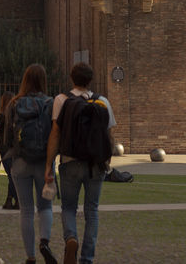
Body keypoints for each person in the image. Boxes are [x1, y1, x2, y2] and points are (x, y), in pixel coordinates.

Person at [46, 61, 115, 264]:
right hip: (95, 164)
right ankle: (87, 258)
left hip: (69, 161)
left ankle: (71, 238)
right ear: (90, 80)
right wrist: (107, 162)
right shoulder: (103, 102)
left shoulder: (61, 100)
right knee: (92, 210)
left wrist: (48, 164)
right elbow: (109, 136)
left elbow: (55, 134)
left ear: (71, 78)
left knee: (68, 207)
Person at [8, 63, 56, 264]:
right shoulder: (50, 102)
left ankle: (30, 256)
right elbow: (55, 134)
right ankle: (44, 242)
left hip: (20, 161)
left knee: (26, 210)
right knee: (45, 206)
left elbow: (7, 135)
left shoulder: (14, 103)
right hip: (44, 161)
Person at [0, 90, 20, 210]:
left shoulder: (1, 115)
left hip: (4, 149)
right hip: (13, 147)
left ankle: (15, 199)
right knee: (12, 174)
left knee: (11, 175)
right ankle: (11, 199)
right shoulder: (15, 114)